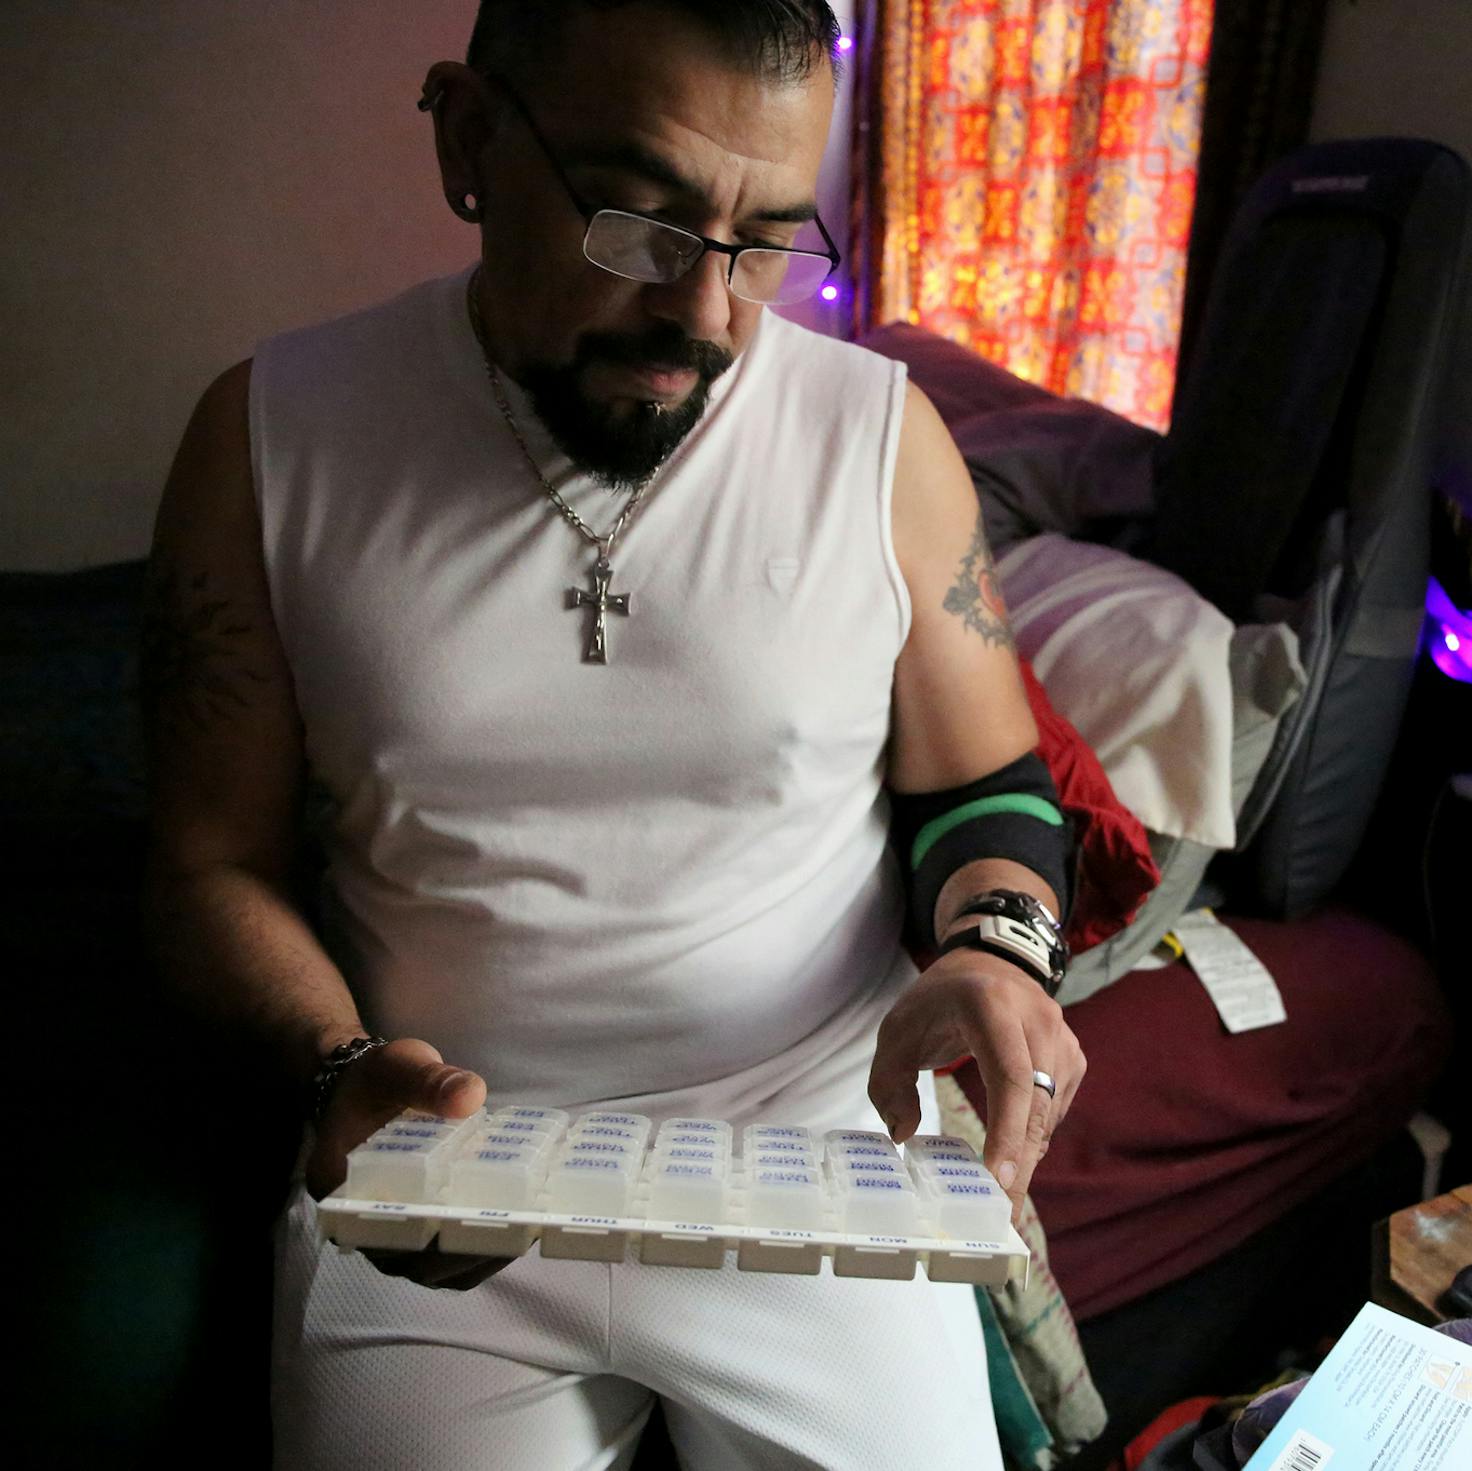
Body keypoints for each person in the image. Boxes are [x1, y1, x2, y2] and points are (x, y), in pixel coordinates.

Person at [139, 2, 1087, 1465]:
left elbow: (985, 787)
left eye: (766, 238)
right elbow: (210, 865)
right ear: (467, 140)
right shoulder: (271, 437)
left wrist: (995, 951)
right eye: (637, 223)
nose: (707, 315)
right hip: (437, 1173)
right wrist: (338, 1077)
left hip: (811, 1154)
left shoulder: (878, 442)